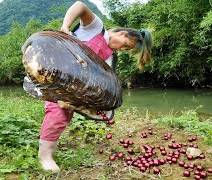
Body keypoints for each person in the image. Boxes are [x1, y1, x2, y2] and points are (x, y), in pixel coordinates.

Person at [38, 1, 153, 172]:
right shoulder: (96, 28)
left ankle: (47, 146)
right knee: (58, 113)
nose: (122, 48)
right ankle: (44, 156)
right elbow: (80, 6)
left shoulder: (110, 58)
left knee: (65, 115)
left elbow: (101, 84)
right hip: (59, 77)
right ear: (122, 33)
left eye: (126, 49)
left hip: (74, 90)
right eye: (125, 44)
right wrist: (65, 26)